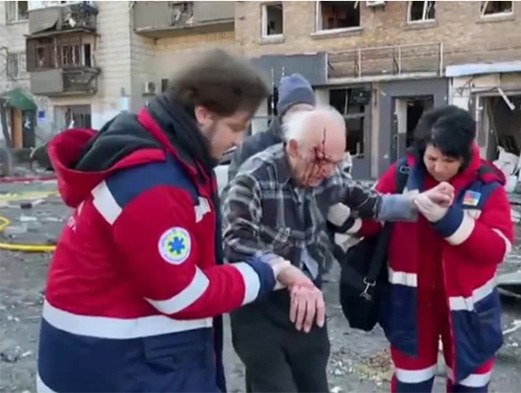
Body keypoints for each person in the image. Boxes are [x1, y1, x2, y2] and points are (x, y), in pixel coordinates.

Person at [38, 49, 321, 393]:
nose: (239, 140)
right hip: (114, 368)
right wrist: (269, 271)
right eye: (235, 127)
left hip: (121, 361)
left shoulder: (172, 159)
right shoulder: (154, 184)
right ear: (203, 114)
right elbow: (182, 294)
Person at [223, 106, 420, 393]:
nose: (326, 170)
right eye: (320, 160)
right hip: (259, 302)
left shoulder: (327, 171)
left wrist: (418, 203)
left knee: (314, 383)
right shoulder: (252, 178)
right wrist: (284, 270)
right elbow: (234, 242)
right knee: (274, 385)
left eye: (334, 162)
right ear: (293, 148)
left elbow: (370, 202)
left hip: (307, 298)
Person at [357, 106, 513, 393]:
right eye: (431, 158)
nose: (438, 167)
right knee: (410, 386)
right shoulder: (403, 175)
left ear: (465, 155)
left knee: (471, 386)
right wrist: (337, 210)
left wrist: (448, 221)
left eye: (448, 160)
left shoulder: (486, 185)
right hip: (411, 308)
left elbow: (498, 248)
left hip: (470, 313)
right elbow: (370, 221)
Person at [227, 73, 352, 271]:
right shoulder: (253, 149)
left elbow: (339, 192)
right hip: (267, 263)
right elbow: (234, 206)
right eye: (295, 111)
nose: (302, 117)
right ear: (282, 113)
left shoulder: (321, 144)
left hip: (312, 258)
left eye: (308, 111)